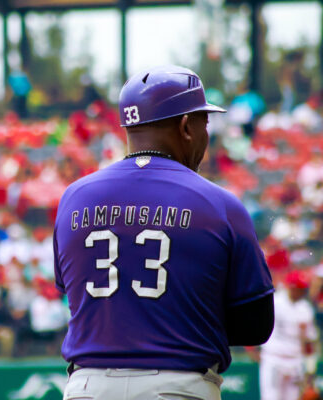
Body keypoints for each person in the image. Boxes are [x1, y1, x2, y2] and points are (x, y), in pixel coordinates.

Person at [53, 65, 274, 400]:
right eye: (204, 121)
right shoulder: (219, 204)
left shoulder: (74, 198)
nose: (206, 133)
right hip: (178, 387)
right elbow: (257, 326)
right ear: (186, 126)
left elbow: (72, 294)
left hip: (87, 387)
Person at [257, 270, 318, 400]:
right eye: (298, 288)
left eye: (302, 288)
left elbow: (309, 341)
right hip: (274, 359)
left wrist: (310, 367)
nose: (301, 291)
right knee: (271, 397)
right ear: (290, 286)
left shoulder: (305, 308)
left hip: (295, 361)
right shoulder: (275, 301)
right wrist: (254, 351)